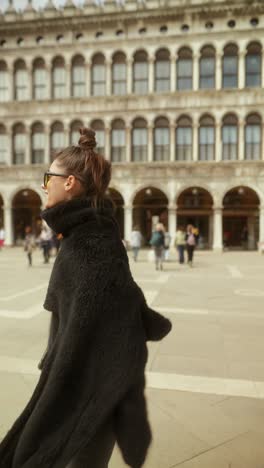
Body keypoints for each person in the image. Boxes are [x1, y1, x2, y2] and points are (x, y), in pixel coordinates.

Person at [0, 127, 172, 468]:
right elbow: (118, 302)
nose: (44, 184)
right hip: (97, 382)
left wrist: (54, 396)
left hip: (93, 391)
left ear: (70, 183)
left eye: (48, 176)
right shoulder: (89, 235)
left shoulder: (88, 243)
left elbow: (88, 327)